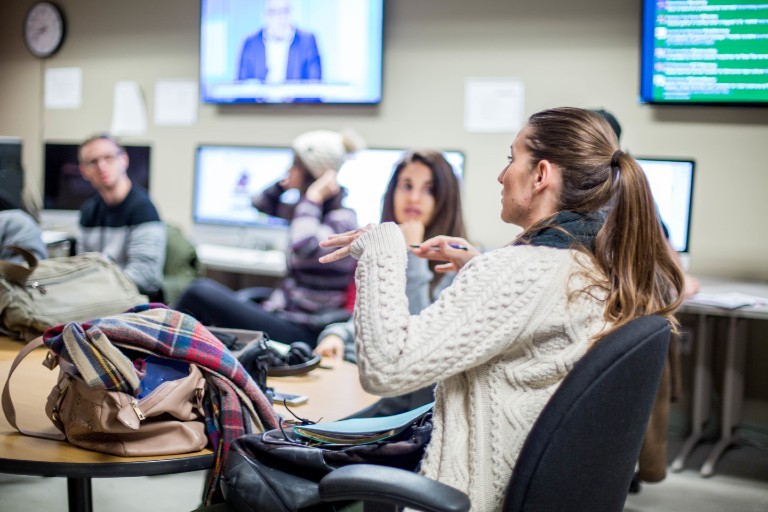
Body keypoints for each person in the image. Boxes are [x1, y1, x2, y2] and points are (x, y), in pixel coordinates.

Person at [319, 107, 684, 511]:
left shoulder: (515, 269)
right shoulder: (598, 268)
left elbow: (386, 368)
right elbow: (536, 313)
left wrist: (385, 247)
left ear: (541, 174)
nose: (501, 174)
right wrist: (479, 268)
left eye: (512, 159)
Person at [174, 129, 362, 347]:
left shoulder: (342, 219)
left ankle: (147, 352)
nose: (288, 170)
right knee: (204, 318)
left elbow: (303, 245)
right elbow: (260, 203)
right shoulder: (306, 211)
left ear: (312, 173)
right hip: (282, 312)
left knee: (199, 292)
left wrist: (312, 196)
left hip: (304, 329)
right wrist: (285, 185)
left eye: (294, 165)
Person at [314, 149, 468, 362]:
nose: (413, 198)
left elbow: (417, 335)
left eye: (428, 189)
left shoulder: (460, 261)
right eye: (407, 186)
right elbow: (370, 318)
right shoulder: (384, 245)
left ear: (444, 199)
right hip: (359, 365)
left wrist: (411, 252)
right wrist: (337, 336)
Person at [78, 134, 166, 298]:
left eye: (108, 157)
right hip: (98, 296)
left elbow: (144, 275)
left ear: (124, 160)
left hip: (136, 299)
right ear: (84, 171)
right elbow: (83, 264)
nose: (101, 166)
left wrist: (99, 290)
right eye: (93, 161)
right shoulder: (88, 211)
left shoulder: (143, 209)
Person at [238, 0, 321, 83]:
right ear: (265, 14)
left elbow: (314, 87)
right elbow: (241, 88)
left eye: (284, 11)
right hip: (260, 96)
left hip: (295, 96)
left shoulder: (307, 42)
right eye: (274, 12)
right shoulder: (250, 44)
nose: (280, 18)